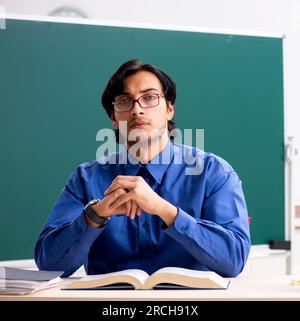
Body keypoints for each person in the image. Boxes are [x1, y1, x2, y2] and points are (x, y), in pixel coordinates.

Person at [34, 59, 251, 277]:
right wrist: (95, 216)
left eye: (149, 98)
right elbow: (49, 266)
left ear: (169, 109)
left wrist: (165, 210)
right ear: (113, 118)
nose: (137, 110)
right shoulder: (86, 178)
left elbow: (232, 261)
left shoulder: (213, 172)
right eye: (124, 101)